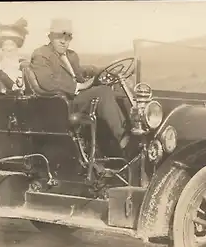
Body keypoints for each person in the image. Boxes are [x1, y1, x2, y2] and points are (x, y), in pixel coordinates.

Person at [29, 18, 130, 149]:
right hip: (62, 103)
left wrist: (102, 72)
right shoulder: (41, 55)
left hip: (77, 98)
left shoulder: (71, 56)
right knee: (103, 92)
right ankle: (124, 140)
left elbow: (79, 74)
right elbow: (47, 83)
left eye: (67, 37)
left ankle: (134, 132)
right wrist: (78, 86)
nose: (63, 41)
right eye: (59, 36)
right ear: (50, 36)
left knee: (120, 94)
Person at [0, 18, 29, 92]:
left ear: (17, 46)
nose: (9, 48)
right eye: (6, 44)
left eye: (12, 44)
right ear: (2, 47)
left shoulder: (25, 64)